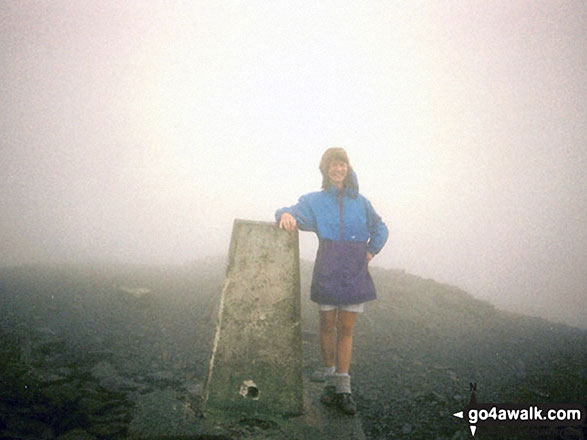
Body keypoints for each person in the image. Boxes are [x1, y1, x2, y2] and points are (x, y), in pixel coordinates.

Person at [275, 147, 388, 415]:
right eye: (333, 165)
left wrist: (371, 251)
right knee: (326, 326)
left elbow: (380, 227)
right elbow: (289, 210)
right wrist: (285, 215)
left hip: (354, 271)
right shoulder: (315, 200)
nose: (338, 169)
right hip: (327, 266)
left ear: (348, 168)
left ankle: (343, 388)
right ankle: (329, 383)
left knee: (346, 329)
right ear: (326, 170)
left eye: (342, 164)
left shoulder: (361, 201)